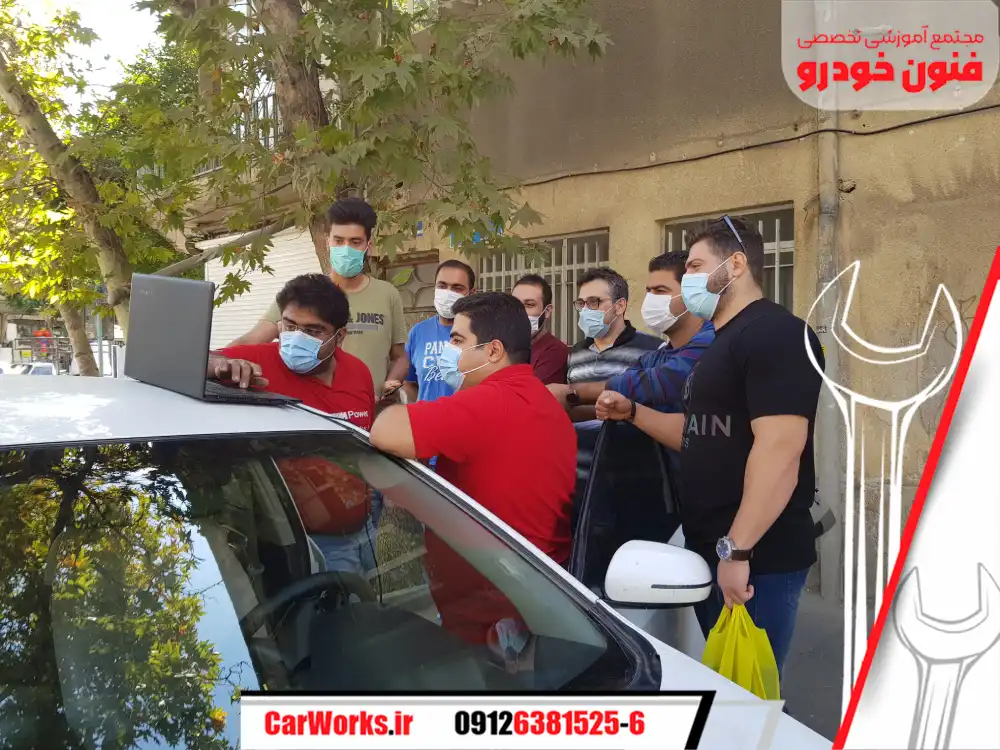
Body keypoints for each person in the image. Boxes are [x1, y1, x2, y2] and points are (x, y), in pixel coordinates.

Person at [595, 216, 824, 681]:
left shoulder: (775, 334)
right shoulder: (720, 343)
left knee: (750, 691)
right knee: (726, 682)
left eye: (696, 267)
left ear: (735, 265)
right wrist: (633, 413)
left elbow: (780, 450)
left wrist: (737, 551)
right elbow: (697, 432)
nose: (689, 280)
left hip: (758, 558)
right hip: (712, 548)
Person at [369, 291, 576, 659]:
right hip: (529, 587)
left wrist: (389, 405)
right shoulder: (538, 397)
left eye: (457, 340)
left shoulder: (490, 401)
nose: (449, 351)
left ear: (493, 350)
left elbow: (386, 432)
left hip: (492, 605)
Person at [209, 273, 379, 576]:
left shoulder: (358, 373)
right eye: (289, 326)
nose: (297, 337)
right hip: (306, 543)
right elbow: (184, 361)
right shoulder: (257, 363)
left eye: (313, 330)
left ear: (339, 336)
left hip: (366, 526)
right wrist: (216, 365)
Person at [228, 197, 407, 400]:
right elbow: (249, 342)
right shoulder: (304, 293)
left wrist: (389, 385)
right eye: (338, 241)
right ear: (328, 242)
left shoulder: (387, 294)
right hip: (315, 407)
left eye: (355, 242)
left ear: (369, 246)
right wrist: (213, 361)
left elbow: (400, 357)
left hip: (368, 407)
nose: (346, 249)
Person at [548, 252, 714, 416]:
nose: (650, 299)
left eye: (660, 290)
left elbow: (662, 381)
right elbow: (627, 392)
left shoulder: (712, 342)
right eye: (649, 291)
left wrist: (576, 392)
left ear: (691, 295)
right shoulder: (655, 358)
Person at [558, 268, 661, 422]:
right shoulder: (575, 353)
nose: (585, 310)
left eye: (593, 302)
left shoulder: (653, 349)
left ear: (619, 306)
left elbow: (655, 404)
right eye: (581, 303)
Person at [382, 259, 476, 404]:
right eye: (442, 286)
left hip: (466, 416)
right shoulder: (418, 332)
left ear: (471, 293)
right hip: (426, 417)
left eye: (457, 288)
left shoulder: (481, 332)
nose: (448, 293)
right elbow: (410, 383)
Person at [510, 274, 568, 385]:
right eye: (515, 304)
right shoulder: (503, 348)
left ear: (547, 311)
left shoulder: (555, 351)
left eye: (529, 305)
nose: (520, 311)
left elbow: (529, 391)